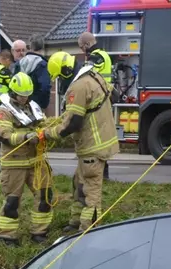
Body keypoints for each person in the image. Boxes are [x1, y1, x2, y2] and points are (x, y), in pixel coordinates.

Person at [44, 51, 119, 233]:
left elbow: (74, 123)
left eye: (60, 77)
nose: (60, 81)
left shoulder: (78, 86)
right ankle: (75, 222)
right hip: (100, 143)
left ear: (67, 71)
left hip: (91, 146)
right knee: (78, 183)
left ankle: (88, 231)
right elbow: (114, 96)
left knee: (91, 192)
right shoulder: (95, 75)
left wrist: (49, 133)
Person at [0, 72, 54, 246]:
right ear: (13, 93)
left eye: (27, 95)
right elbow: (4, 135)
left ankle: (40, 233)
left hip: (37, 161)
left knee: (45, 196)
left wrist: (49, 129)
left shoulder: (33, 106)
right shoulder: (4, 112)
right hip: (14, 163)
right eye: (21, 96)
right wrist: (26, 137)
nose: (24, 99)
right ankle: (6, 236)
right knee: (12, 201)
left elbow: (42, 124)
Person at [78, 32, 114, 180]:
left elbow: (87, 77)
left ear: (86, 45)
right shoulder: (103, 54)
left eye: (81, 47)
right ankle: (102, 171)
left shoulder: (96, 57)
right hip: (104, 98)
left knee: (97, 138)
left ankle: (102, 172)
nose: (82, 51)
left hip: (99, 101)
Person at [14, 35, 51, 111]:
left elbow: (13, 83)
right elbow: (45, 87)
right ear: (42, 47)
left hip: (19, 104)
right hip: (36, 105)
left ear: (29, 46)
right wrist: (43, 104)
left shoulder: (19, 63)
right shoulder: (43, 65)